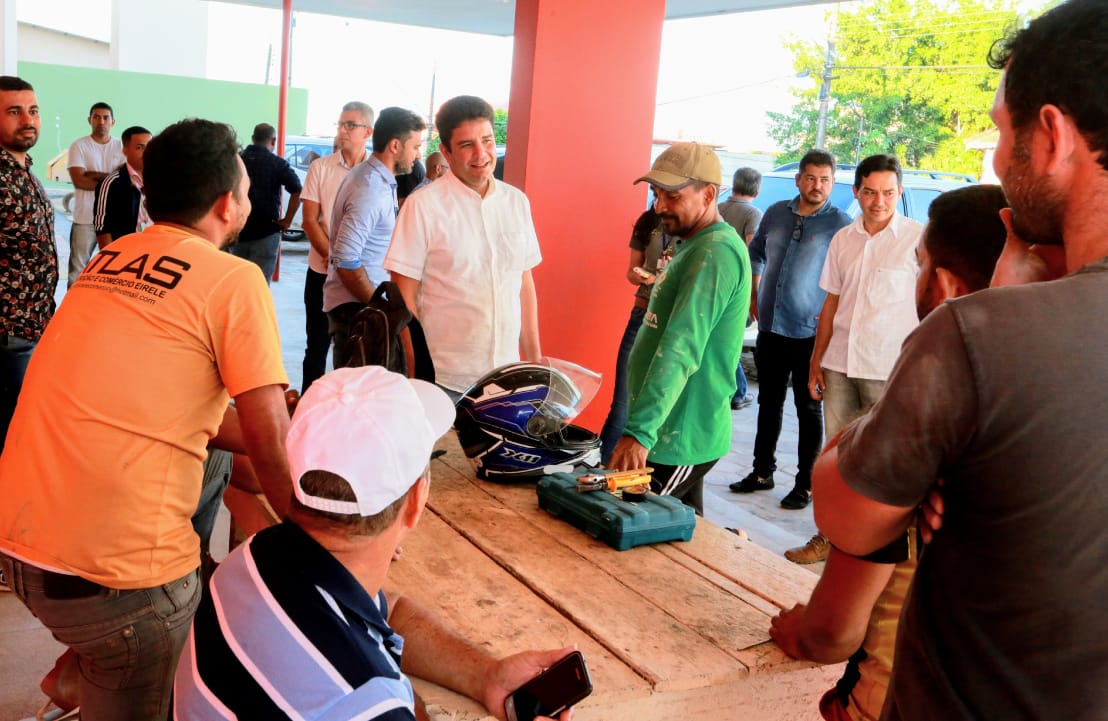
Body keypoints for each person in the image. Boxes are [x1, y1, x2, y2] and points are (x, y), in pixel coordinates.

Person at [812, 3, 1108, 718]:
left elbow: (847, 516)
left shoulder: (979, 335)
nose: (999, 162)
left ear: (1051, 136)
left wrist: (922, 452)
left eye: (1004, 134)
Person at [0, 118, 293, 721]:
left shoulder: (112, 257)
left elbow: (189, 422)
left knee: (217, 460)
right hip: (119, 587)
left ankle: (87, 670)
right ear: (226, 204)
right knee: (189, 673)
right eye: (243, 187)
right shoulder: (234, 278)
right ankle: (108, 668)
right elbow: (268, 446)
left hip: (18, 546)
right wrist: (313, 531)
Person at [174, 365, 574, 721]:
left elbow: (388, 614)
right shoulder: (364, 703)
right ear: (417, 502)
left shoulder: (254, 559)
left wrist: (487, 676)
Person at [769, 184, 1009, 721]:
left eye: (919, 267)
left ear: (942, 283)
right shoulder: (1052, 393)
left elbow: (834, 633)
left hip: (896, 698)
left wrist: (799, 631)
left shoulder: (928, 414)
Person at [789, 154, 922, 564]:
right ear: (856, 192)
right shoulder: (843, 240)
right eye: (870, 192)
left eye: (887, 193)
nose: (878, 201)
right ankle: (827, 537)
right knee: (836, 459)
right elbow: (831, 303)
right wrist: (817, 360)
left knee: (884, 463)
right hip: (840, 364)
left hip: (890, 370)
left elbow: (934, 302)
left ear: (900, 193)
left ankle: (875, 549)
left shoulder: (918, 239)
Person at [607, 142, 751, 515]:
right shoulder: (694, 244)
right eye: (656, 194)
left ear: (708, 194)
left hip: (678, 435)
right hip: (668, 431)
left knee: (627, 521)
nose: (659, 206)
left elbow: (680, 347)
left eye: (672, 195)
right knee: (680, 541)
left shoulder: (715, 253)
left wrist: (638, 432)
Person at [385, 95, 542, 398]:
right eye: (467, 145)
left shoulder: (516, 202)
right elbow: (404, 300)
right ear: (446, 151)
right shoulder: (423, 206)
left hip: (508, 379)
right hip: (445, 381)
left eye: (486, 140)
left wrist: (535, 363)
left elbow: (523, 284)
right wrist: (418, 378)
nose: (481, 154)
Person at [728, 151, 851, 510]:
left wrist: (831, 316)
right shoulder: (776, 213)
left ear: (833, 182)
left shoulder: (839, 223)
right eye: (811, 178)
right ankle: (761, 472)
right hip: (771, 327)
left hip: (811, 334)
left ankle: (805, 483)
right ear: (799, 179)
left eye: (825, 179)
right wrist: (754, 293)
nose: (818, 186)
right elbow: (756, 254)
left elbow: (846, 278)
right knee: (769, 403)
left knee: (808, 409)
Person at [324, 107, 426, 369]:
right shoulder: (370, 187)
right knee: (359, 403)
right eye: (415, 146)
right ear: (395, 145)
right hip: (357, 313)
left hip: (360, 309)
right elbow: (346, 259)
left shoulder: (377, 181)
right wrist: (381, 307)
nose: (418, 154)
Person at [299, 101, 374, 393]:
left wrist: (351, 268)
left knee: (355, 353)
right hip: (322, 272)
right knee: (316, 348)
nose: (343, 130)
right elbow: (310, 221)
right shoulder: (321, 168)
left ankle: (348, 418)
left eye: (350, 125)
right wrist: (337, 262)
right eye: (341, 124)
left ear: (368, 131)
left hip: (360, 279)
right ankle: (307, 413)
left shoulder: (378, 174)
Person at [0, 75, 56, 454]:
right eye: (14, 111)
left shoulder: (25, 174)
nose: (28, 120)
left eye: (33, 110)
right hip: (7, 333)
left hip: (32, 328)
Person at [597, 203, 674, 464]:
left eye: (668, 193)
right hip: (642, 312)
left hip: (674, 321)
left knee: (664, 410)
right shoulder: (647, 223)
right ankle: (600, 471)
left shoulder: (693, 227)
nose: (662, 200)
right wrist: (642, 277)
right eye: (657, 193)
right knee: (621, 406)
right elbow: (632, 271)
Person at [234, 122, 303, 284]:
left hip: (236, 231)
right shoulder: (277, 163)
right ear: (273, 140)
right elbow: (297, 190)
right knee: (259, 284)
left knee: (235, 283)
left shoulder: (236, 161)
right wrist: (287, 220)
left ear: (253, 138)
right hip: (266, 232)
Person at [718, 166, 763, 411]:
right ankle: (738, 391)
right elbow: (753, 255)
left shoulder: (718, 208)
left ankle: (736, 390)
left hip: (714, 282)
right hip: (737, 287)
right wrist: (755, 294)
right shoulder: (753, 213)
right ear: (757, 189)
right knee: (731, 340)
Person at [66, 101, 123, 287]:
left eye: (106, 117)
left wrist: (93, 174)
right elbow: (79, 180)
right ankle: (71, 314)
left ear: (113, 122)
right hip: (85, 219)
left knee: (113, 270)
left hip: (114, 220)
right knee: (77, 270)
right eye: (96, 117)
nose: (101, 121)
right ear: (89, 120)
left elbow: (126, 181)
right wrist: (111, 179)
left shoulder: (122, 147)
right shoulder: (79, 146)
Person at [92, 125, 152, 248]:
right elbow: (102, 228)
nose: (146, 153)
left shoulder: (160, 181)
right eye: (140, 148)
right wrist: (111, 258)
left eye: (150, 148)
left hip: (154, 250)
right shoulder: (111, 183)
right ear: (125, 150)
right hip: (126, 253)